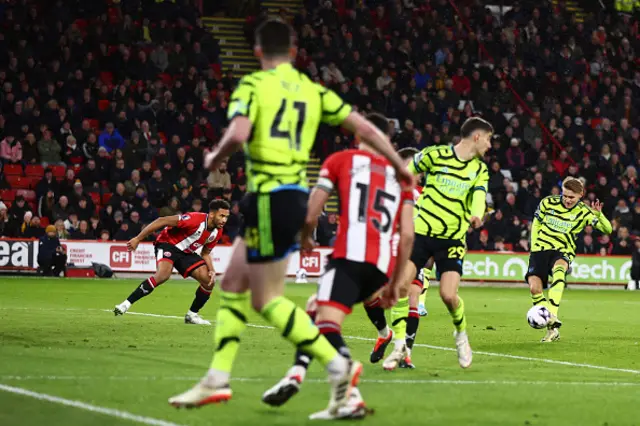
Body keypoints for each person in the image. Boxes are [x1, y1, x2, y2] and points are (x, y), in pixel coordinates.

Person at [168, 19, 413, 418]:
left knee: (265, 299)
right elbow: (364, 125)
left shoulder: (252, 85)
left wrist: (216, 156)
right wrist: (400, 166)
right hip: (295, 198)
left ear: (259, 52)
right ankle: (220, 376)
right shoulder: (313, 90)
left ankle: (332, 365)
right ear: (294, 52)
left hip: (268, 197)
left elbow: (241, 130)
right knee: (233, 282)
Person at [262, 114, 415, 417]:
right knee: (314, 306)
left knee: (325, 324)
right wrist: (396, 284)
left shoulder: (340, 160)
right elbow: (407, 235)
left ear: (360, 135)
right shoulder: (403, 177)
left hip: (348, 259)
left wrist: (306, 238)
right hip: (381, 267)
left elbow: (310, 214)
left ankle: (347, 382)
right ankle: (298, 374)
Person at [383, 117, 493, 371]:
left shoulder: (480, 170)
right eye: (488, 138)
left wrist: (477, 213)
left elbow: (478, 196)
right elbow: (405, 172)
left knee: (448, 295)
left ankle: (461, 335)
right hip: (421, 234)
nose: (489, 144)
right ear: (476, 137)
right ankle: (400, 346)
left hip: (452, 239)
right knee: (400, 289)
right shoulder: (435, 155)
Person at [113, 199, 230, 325]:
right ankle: (125, 304)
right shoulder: (193, 219)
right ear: (212, 214)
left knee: (208, 281)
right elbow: (161, 220)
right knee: (163, 275)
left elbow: (205, 253)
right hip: (167, 244)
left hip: (186, 253)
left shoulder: (218, 231)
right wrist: (138, 238)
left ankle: (192, 315)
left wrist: (212, 269)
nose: (224, 220)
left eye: (226, 217)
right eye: (221, 216)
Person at [526, 177, 612, 342]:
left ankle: (552, 317)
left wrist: (599, 215)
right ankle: (551, 325)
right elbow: (536, 223)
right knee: (534, 289)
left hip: (562, 251)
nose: (567, 199)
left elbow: (607, 230)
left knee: (559, 273)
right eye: (565, 195)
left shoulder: (583, 211)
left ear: (581, 195)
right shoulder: (547, 203)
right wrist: (534, 245)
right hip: (540, 249)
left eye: (571, 197)